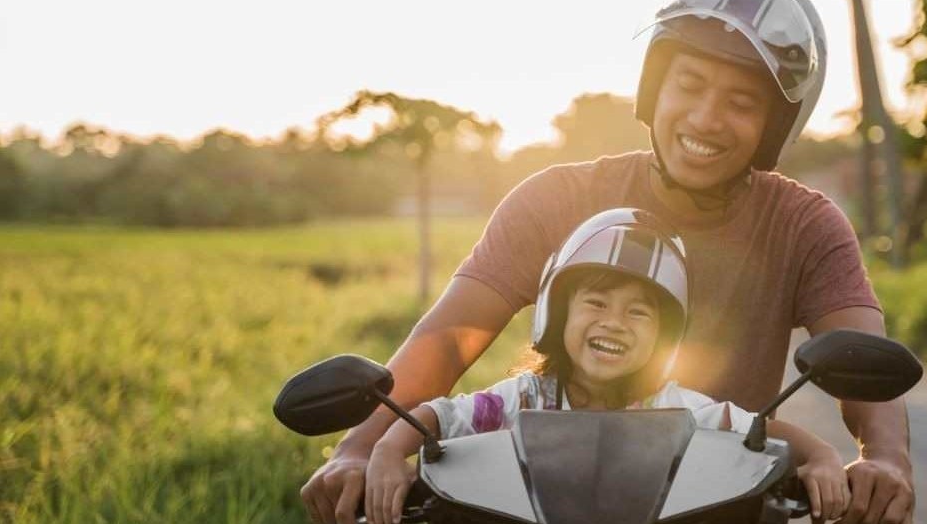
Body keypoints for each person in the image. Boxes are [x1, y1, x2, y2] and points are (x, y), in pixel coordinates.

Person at [303, 0, 915, 524]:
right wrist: (361, 448)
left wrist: (885, 459)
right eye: (689, 85)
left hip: (721, 507)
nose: (705, 118)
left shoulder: (804, 224)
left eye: (740, 102)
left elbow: (861, 356)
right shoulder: (556, 198)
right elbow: (448, 338)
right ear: (654, 89)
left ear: (772, 126)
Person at [363, 209, 851, 524]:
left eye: (639, 312)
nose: (614, 322)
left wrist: (823, 456)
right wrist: (386, 453)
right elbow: (438, 417)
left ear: (664, 338)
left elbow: (758, 430)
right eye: (596, 303)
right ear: (558, 313)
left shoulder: (679, 410)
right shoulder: (523, 398)